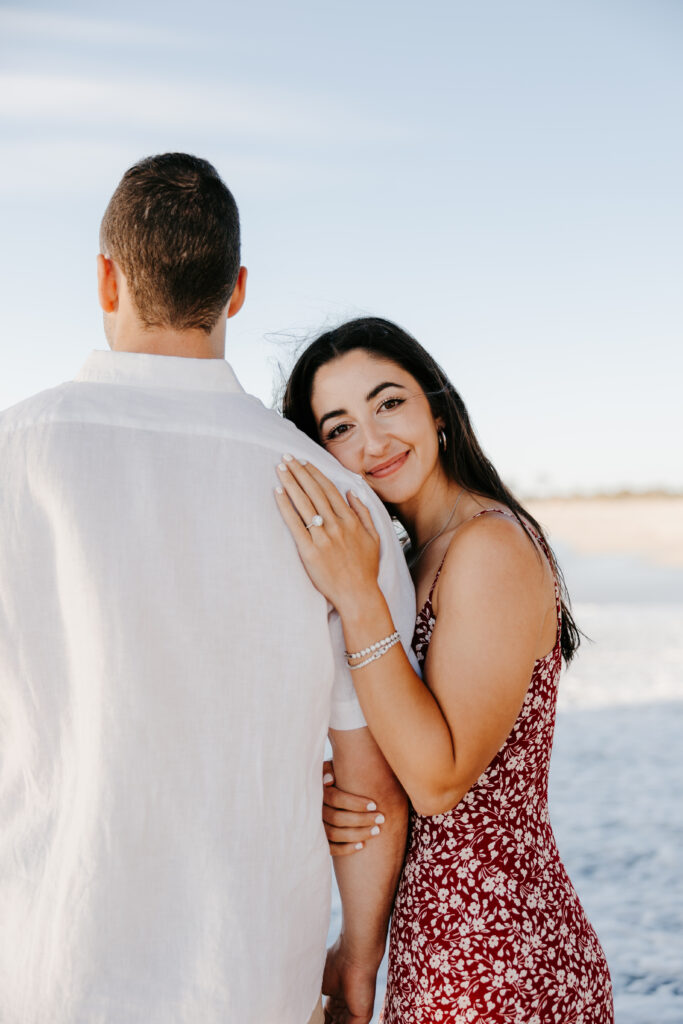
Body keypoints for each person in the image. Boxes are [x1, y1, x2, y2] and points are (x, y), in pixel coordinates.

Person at [0, 157, 417, 1024]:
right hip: (248, 975)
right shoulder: (335, 501)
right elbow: (369, 785)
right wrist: (358, 956)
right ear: (236, 290)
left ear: (107, 278)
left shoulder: (12, 454)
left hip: (38, 960)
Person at [278, 317, 614, 1023]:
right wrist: (344, 794)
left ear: (436, 405)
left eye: (387, 402)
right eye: (337, 426)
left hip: (501, 954)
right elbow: (399, 747)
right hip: (430, 946)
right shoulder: (409, 559)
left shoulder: (487, 547)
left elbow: (437, 780)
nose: (370, 441)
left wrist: (357, 597)